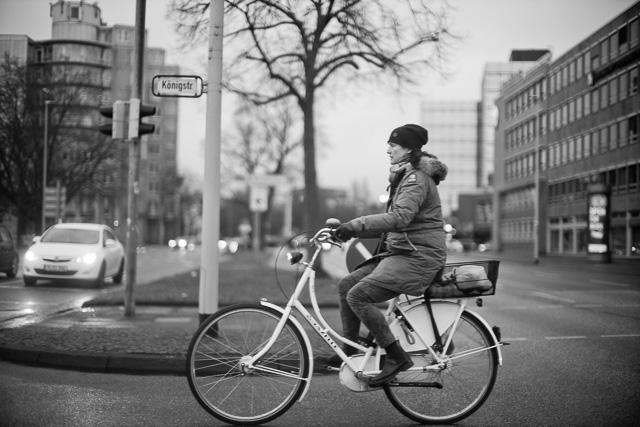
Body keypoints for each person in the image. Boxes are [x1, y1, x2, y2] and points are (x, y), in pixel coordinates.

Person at [316, 124, 448, 387]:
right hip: (404, 251)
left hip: (419, 256)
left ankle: (397, 356)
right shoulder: (405, 176)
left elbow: (399, 219)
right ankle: (352, 348)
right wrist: (348, 232)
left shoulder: (415, 179)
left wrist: (353, 226)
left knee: (359, 295)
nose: (388, 150)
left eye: (393, 145)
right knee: (347, 285)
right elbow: (395, 225)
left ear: (409, 149)